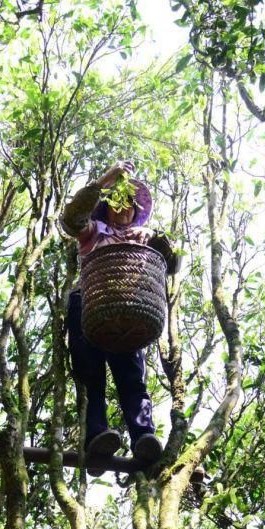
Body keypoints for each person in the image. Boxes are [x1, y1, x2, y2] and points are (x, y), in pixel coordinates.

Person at [60, 162, 179, 476]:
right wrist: (104, 181)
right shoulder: (94, 232)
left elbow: (170, 263)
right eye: (116, 202)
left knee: (131, 378)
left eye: (129, 204)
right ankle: (96, 436)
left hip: (127, 310)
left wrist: (164, 249)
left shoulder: (143, 236)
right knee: (90, 374)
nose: (123, 209)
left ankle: (144, 438)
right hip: (88, 303)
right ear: (107, 207)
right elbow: (72, 220)